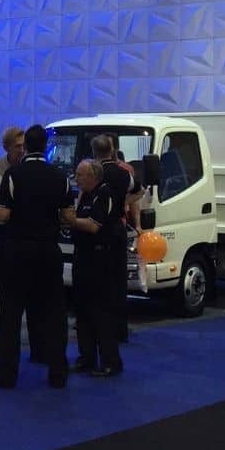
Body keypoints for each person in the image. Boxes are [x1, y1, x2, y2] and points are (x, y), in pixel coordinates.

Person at [0, 125, 74, 389]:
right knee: (54, 312)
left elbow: (1, 215)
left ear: (27, 147)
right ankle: (58, 371)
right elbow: (68, 217)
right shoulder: (60, 176)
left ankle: (6, 373)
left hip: (16, 251)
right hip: (48, 251)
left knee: (10, 314)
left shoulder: (13, 175)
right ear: (45, 146)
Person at [68, 159, 123, 377]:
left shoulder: (104, 194)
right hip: (82, 257)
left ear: (93, 176)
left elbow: (93, 225)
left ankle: (110, 360)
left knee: (101, 312)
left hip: (100, 259)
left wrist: (71, 220)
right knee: (82, 311)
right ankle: (87, 357)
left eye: (80, 175)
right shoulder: (85, 195)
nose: (76, 178)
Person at [90, 135, 139, 342]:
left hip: (98, 231)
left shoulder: (93, 173)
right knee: (119, 283)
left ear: (94, 152)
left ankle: (100, 328)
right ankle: (120, 330)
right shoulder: (124, 172)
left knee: (98, 284)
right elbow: (139, 191)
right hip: (117, 230)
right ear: (112, 149)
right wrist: (122, 203)